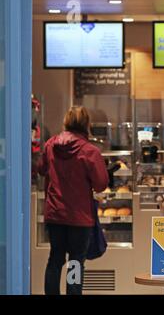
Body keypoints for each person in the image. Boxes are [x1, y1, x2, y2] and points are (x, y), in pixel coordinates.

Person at [38, 106, 109, 295]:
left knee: (55, 259)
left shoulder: (50, 144)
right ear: (87, 124)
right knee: (76, 261)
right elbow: (101, 184)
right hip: (79, 216)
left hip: (55, 214)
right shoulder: (90, 151)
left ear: (66, 122)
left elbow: (40, 168)